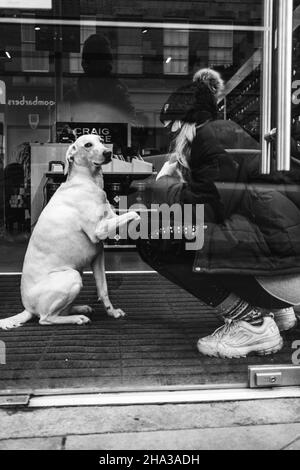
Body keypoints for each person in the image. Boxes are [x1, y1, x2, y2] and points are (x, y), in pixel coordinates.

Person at [136, 68, 300, 359]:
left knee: (152, 235)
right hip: (286, 268)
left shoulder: (208, 140)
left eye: (171, 126)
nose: (170, 135)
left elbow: (207, 209)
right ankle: (276, 311)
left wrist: (161, 187)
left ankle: (252, 324)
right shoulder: (229, 134)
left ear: (183, 123)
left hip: (282, 276)